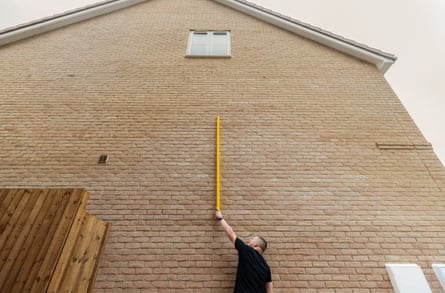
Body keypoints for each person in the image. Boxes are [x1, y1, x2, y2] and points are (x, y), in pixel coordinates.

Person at [216, 210, 273, 293]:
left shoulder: (247, 252)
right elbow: (269, 289)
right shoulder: (266, 268)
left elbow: (231, 234)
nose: (249, 240)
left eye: (252, 239)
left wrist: (221, 218)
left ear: (256, 245)